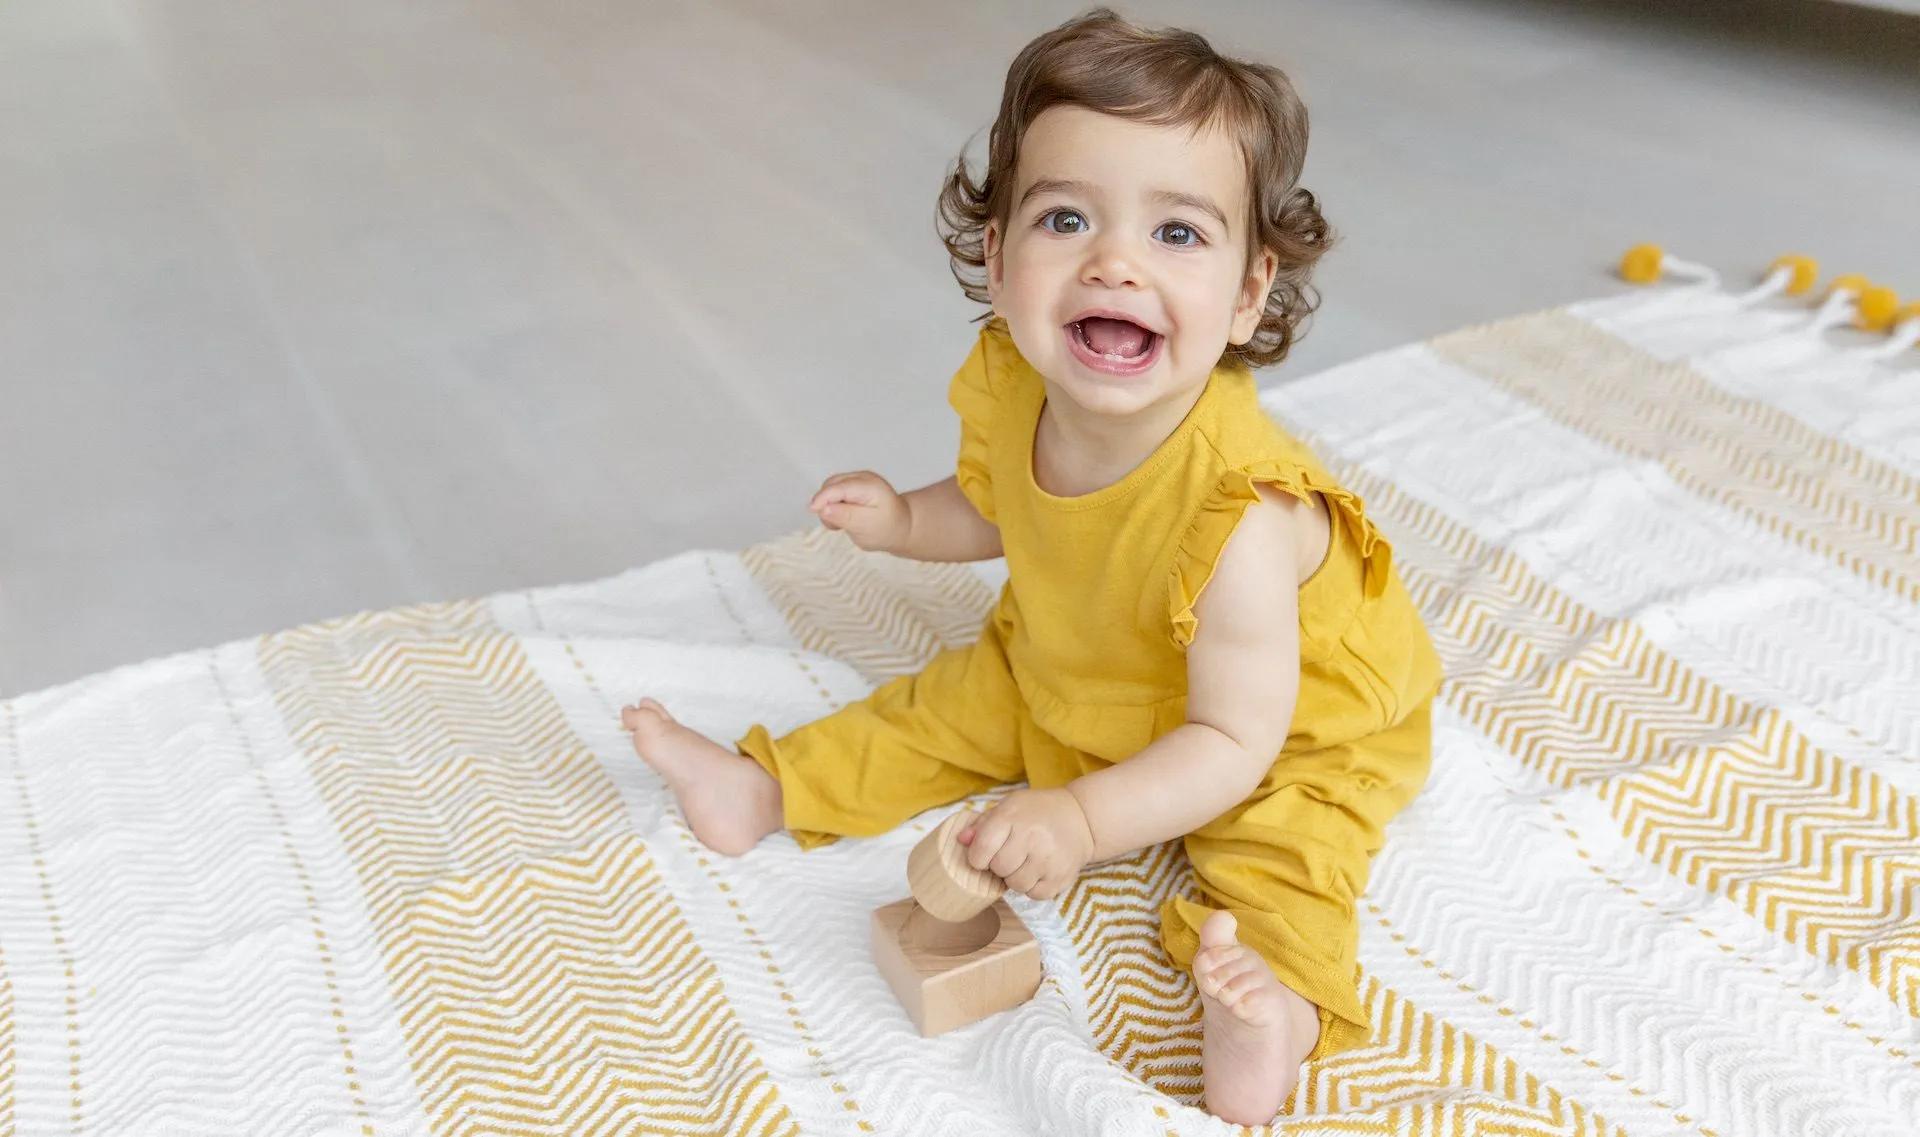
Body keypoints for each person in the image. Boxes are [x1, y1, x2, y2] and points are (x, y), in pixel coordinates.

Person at [620, 7, 1442, 1124]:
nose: (1115, 262)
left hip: (1282, 729)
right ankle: (762, 785)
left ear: (1249, 295)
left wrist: (1082, 823)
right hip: (1081, 662)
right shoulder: (1014, 381)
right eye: (1067, 218)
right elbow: (1000, 503)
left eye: (1179, 235)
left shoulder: (1243, 515)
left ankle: (1273, 1020)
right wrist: (905, 522)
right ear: (999, 260)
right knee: (937, 708)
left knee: (1286, 862)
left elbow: (1231, 743)